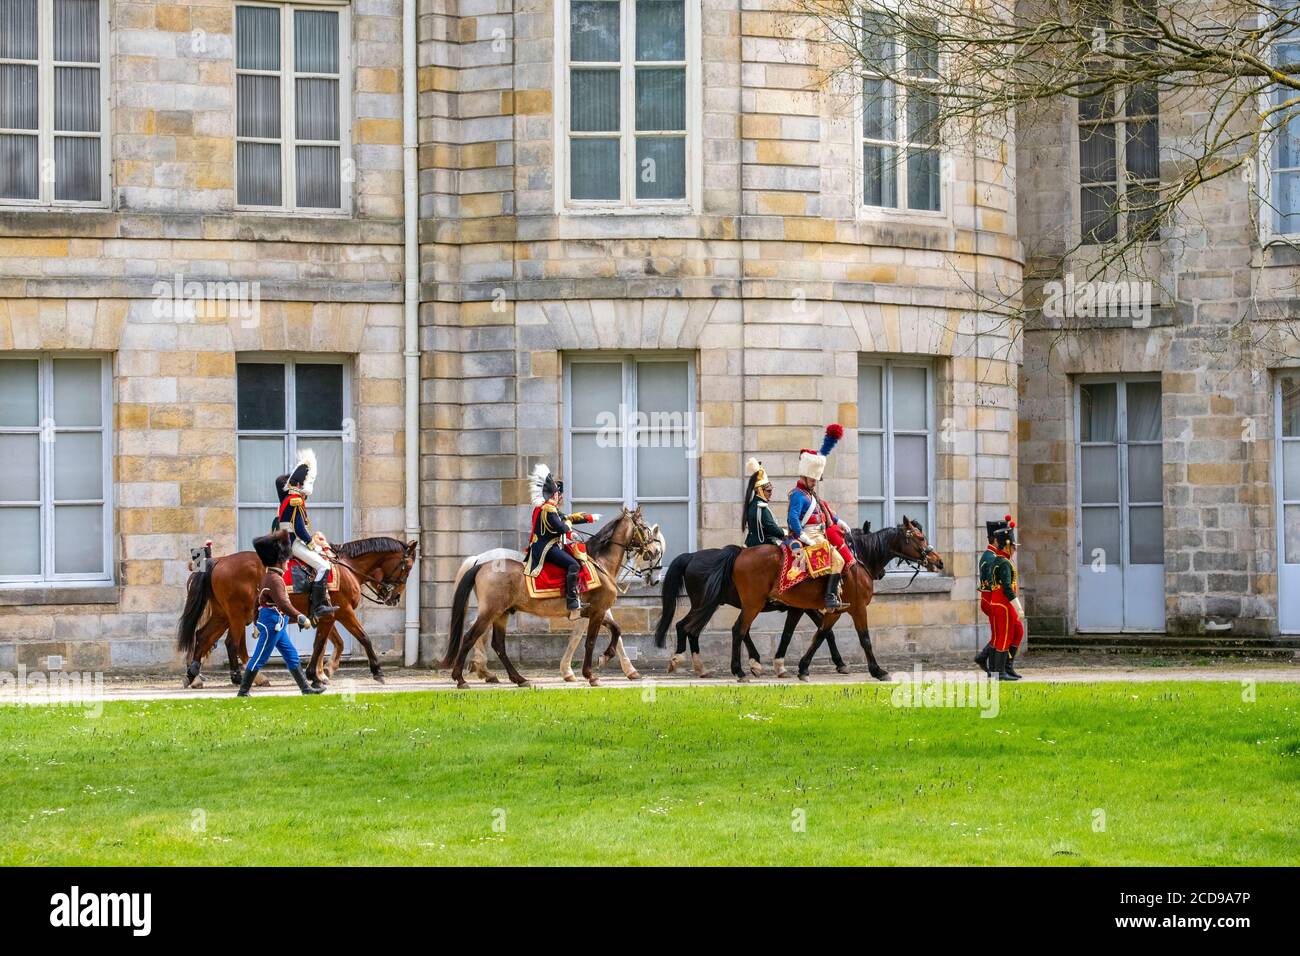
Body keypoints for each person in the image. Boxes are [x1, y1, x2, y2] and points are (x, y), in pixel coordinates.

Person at [239, 531, 324, 696]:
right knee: (259, 658)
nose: (287, 563)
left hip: (277, 623)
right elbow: (283, 604)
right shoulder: (275, 579)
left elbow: (258, 601)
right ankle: (243, 691)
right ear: (279, 561)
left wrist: (256, 623)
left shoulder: (270, 576)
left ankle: (306, 689)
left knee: (291, 655)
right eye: (286, 560)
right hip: (272, 623)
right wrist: (301, 617)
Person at [786, 424, 854, 610]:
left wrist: (839, 521)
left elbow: (824, 511)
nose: (815, 482)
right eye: (813, 479)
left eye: (816, 479)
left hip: (820, 533)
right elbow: (792, 518)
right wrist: (802, 536)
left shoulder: (811, 494)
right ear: (805, 476)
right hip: (809, 535)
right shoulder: (798, 495)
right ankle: (829, 598)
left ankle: (831, 594)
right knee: (835, 561)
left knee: (840, 558)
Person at [523, 464, 600, 619]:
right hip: (547, 547)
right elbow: (560, 526)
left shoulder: (547, 507)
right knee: (573, 564)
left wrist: (587, 518)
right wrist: (570, 532)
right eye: (559, 494)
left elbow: (566, 518)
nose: (560, 497)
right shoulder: (549, 509)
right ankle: (572, 602)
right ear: (555, 494)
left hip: (548, 544)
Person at [272, 448, 338, 624]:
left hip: (286, 541)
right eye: (302, 484)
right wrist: (312, 544)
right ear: (299, 486)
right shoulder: (295, 501)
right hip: (293, 544)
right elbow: (300, 529)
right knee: (324, 565)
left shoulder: (285, 501)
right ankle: (318, 606)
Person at [975, 515, 1024, 680]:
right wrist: (1016, 605)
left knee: (1014, 631)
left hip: (998, 600)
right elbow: (1000, 584)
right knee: (1003, 635)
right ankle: (999, 670)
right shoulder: (994, 558)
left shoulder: (999, 557)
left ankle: (1003, 667)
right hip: (995, 600)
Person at [743, 458, 786, 546]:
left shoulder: (754, 504)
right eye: (768, 491)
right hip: (763, 542)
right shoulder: (760, 506)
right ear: (759, 491)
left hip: (751, 542)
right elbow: (771, 528)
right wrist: (785, 532)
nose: (771, 493)